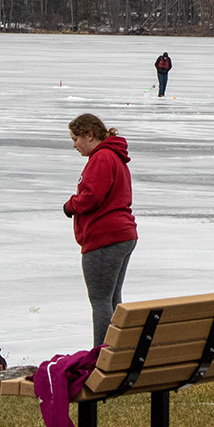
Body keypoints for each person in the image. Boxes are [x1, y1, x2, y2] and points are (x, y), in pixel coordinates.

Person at [65, 113, 138, 347]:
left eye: (76, 138)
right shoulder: (114, 156)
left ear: (90, 134)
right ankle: (117, 352)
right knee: (112, 299)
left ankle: (101, 357)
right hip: (123, 234)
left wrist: (70, 205)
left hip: (105, 236)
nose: (74, 145)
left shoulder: (102, 158)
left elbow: (92, 196)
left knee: (100, 301)